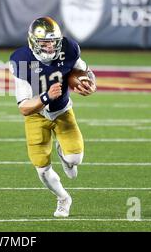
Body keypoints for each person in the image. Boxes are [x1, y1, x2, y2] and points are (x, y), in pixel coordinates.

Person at [9, 17, 96, 217]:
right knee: (41, 168)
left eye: (53, 41)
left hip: (62, 110)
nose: (49, 46)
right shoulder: (20, 60)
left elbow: (86, 72)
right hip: (36, 115)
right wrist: (47, 95)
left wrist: (90, 84)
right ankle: (63, 198)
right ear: (33, 42)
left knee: (75, 158)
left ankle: (64, 157)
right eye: (44, 42)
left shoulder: (69, 49)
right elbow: (24, 107)